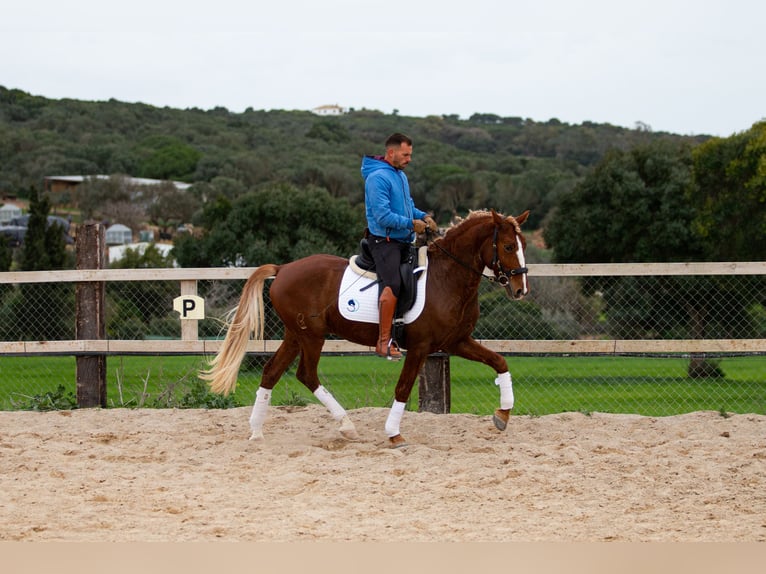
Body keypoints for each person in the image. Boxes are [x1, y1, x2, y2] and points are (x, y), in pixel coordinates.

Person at [361, 132, 438, 360]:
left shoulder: (400, 176)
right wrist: (412, 224)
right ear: (391, 152)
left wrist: (424, 216)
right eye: (405, 155)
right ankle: (383, 341)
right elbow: (383, 216)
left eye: (410, 155)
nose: (409, 159)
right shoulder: (377, 178)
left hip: (403, 241)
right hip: (384, 243)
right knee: (393, 284)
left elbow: (408, 207)